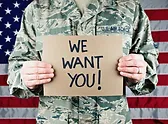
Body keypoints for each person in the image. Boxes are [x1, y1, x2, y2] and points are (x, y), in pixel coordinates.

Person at [7, 0, 158, 123]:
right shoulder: (37, 9)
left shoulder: (129, 7)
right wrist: (24, 76)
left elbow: (149, 65)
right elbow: (17, 66)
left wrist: (141, 71)